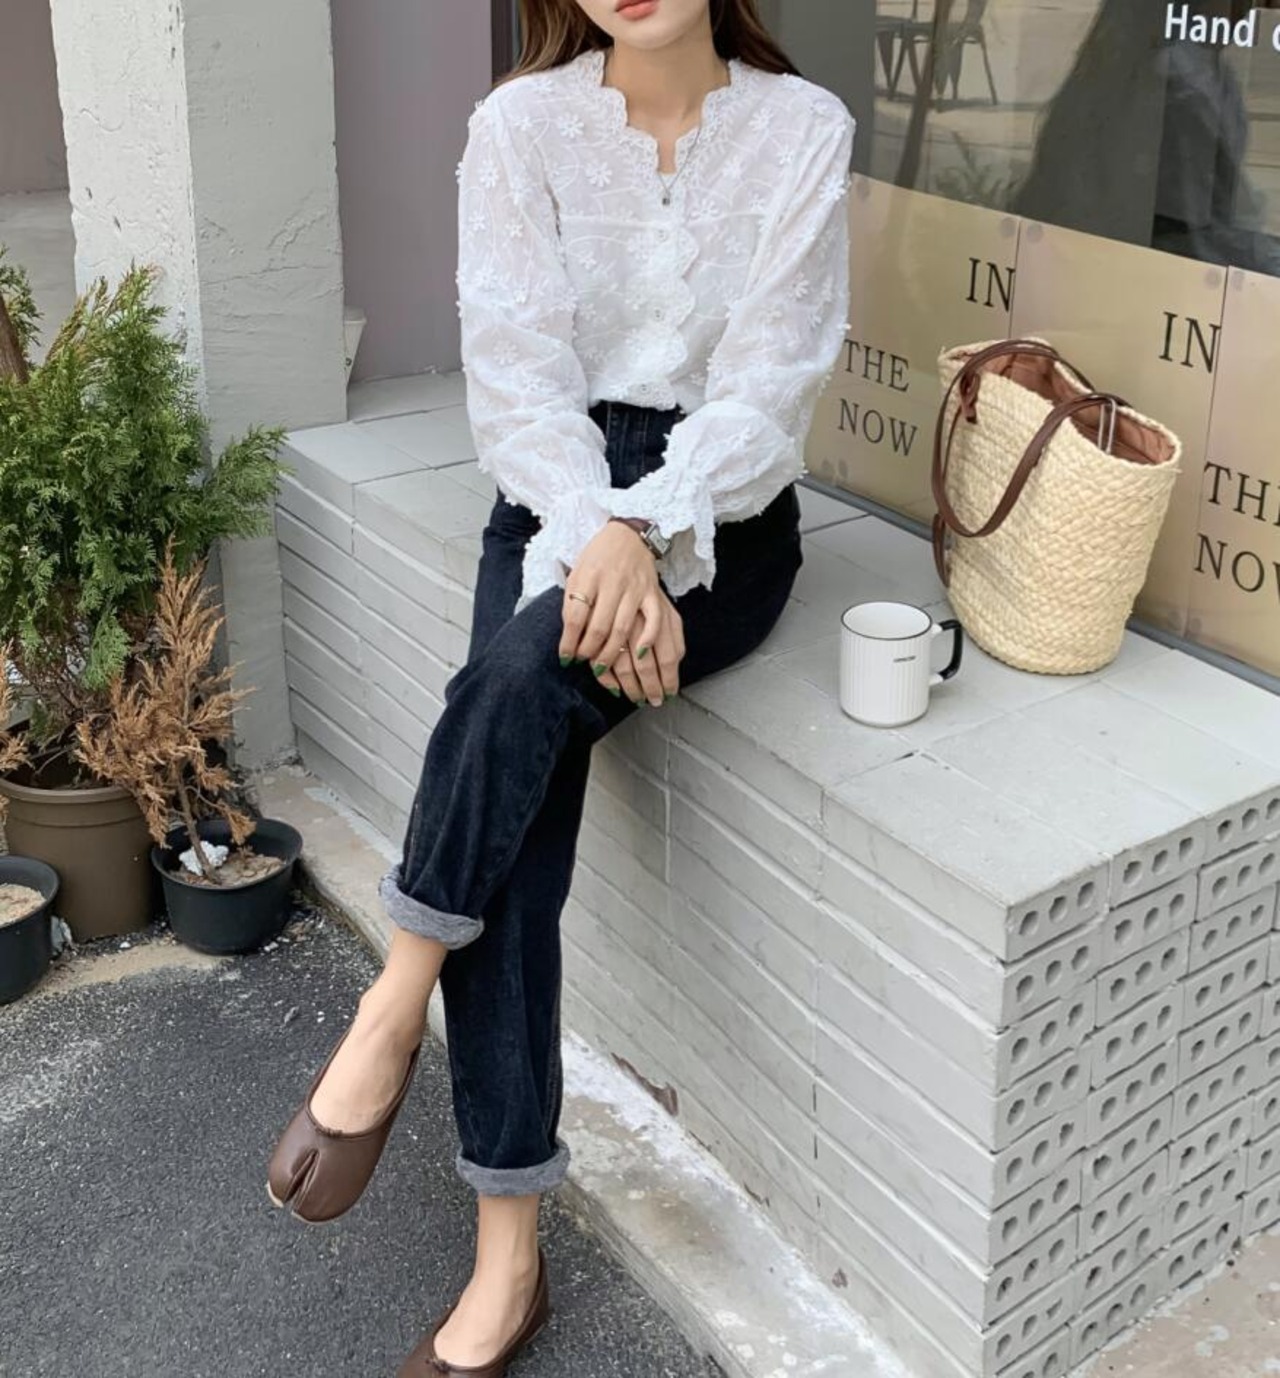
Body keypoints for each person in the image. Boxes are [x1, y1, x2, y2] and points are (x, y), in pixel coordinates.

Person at [267, 0, 854, 1372]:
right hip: (550, 495)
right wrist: (598, 532)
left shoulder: (803, 131)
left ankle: (394, 997)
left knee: (515, 688)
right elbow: (518, 375)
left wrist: (648, 531)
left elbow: (771, 385)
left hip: (725, 514)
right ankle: (507, 1253)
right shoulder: (519, 127)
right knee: (519, 836)